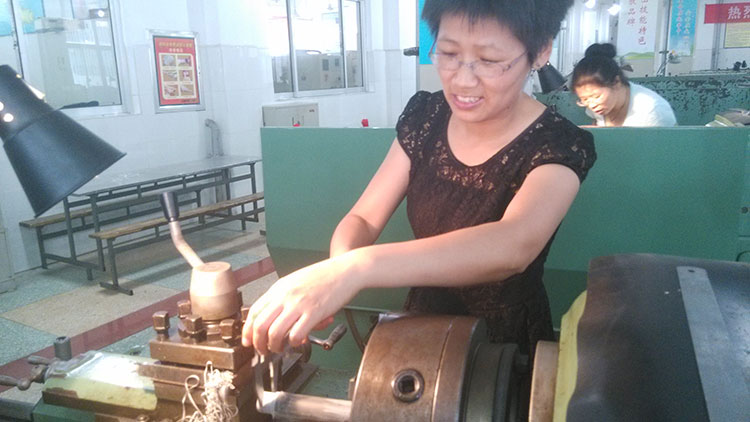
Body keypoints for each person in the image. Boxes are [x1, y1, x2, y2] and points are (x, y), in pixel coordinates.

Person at [242, 0, 596, 368]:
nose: (462, 80)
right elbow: (364, 218)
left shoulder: (558, 144)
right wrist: (334, 274)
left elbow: (513, 244)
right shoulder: (427, 116)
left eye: (489, 60)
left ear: (540, 52)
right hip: (423, 326)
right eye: (449, 53)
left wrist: (356, 269)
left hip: (503, 346)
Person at [572, 43, 677, 127]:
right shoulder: (598, 105)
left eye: (597, 96)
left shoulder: (652, 112)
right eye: (584, 100)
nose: (591, 105)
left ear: (616, 82)